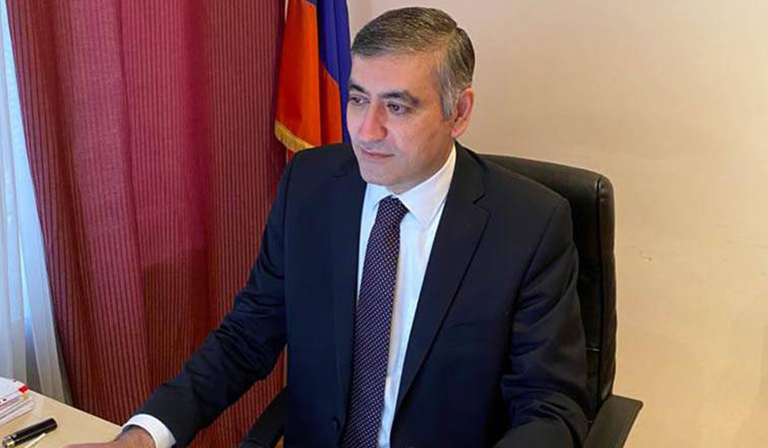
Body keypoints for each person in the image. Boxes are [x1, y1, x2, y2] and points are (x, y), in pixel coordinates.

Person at [68, 7, 588, 448]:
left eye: (397, 106)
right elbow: (246, 337)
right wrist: (144, 435)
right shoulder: (311, 185)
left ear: (459, 112)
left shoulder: (529, 226)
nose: (366, 130)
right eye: (358, 98)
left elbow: (549, 407)